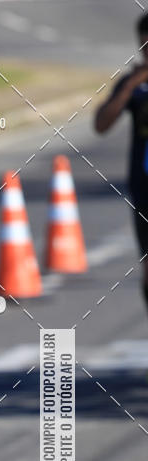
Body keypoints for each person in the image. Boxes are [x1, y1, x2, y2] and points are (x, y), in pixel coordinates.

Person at [95, 12, 148, 311]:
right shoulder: (134, 84)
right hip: (144, 188)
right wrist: (131, 85)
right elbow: (101, 124)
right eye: (144, 45)